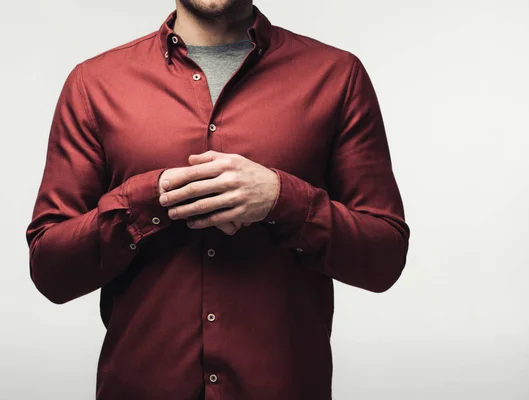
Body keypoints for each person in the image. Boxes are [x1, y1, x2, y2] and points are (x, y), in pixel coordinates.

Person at [25, 0, 410, 399]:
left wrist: (282, 199)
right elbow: (52, 270)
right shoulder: (94, 84)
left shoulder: (337, 77)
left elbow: (384, 257)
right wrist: (148, 201)